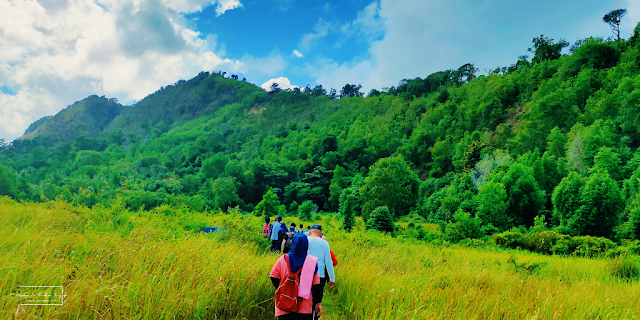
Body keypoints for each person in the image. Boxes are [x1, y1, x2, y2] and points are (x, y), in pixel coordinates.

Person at [270, 234, 323, 319]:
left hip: (284, 305)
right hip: (304, 307)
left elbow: (273, 276)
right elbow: (316, 286)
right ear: (306, 245)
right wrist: (317, 303)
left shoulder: (282, 259)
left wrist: (283, 288)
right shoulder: (311, 262)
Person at [306, 224, 335, 318]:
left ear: (309, 232)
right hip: (320, 276)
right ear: (321, 233)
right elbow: (328, 262)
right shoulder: (324, 243)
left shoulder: (305, 240)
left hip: (306, 274)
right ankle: (315, 316)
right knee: (317, 301)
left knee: (306, 299)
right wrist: (332, 278)